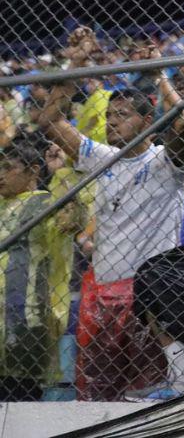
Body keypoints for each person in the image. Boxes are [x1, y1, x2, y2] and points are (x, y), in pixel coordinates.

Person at [37, 29, 184, 400]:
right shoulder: (101, 157)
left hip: (148, 291)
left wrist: (160, 75)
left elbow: (183, 126)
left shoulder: (165, 161)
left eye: (123, 115)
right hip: (101, 291)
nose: (111, 123)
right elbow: (50, 122)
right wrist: (76, 63)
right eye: (110, 116)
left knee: (146, 391)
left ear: (146, 120)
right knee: (96, 393)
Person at [0, 138, 68, 400]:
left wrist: (60, 173)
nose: (1, 175)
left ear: (34, 170)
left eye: (8, 167)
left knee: (18, 399)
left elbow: (71, 221)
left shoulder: (44, 203)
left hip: (26, 320)